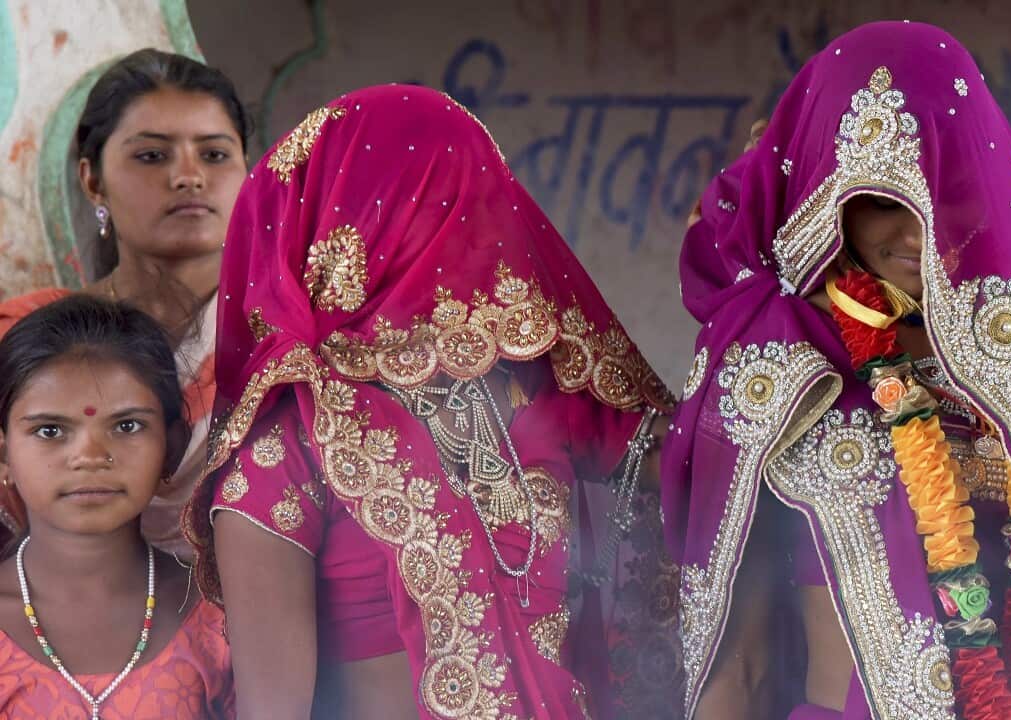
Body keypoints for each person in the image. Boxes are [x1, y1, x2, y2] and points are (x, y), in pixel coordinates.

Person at [662, 22, 1011, 719]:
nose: (917, 229)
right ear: (825, 184)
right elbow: (739, 665)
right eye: (885, 198)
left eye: (943, 188)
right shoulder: (778, 361)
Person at [183, 85, 681, 719]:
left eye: (485, 204)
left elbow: (710, 471)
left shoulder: (536, 393)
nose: (483, 239)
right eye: (447, 210)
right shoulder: (286, 446)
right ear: (354, 234)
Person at [0, 49, 251, 559]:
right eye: (152, 155)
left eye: (214, 154)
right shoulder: (21, 335)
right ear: (93, 180)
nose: (189, 176)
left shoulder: (285, 340)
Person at [0, 295, 234, 719]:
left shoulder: (217, 616)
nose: (90, 455)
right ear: (3, 457)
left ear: (173, 448)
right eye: (50, 430)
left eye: (127, 426)